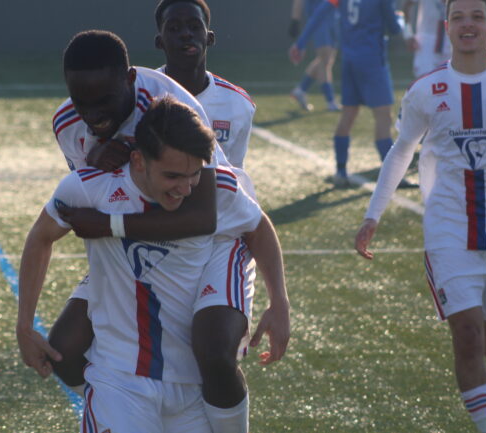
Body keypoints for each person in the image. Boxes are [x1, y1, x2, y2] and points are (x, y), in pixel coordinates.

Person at [47, 30, 290, 433]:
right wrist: (92, 159)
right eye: (81, 102)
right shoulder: (68, 122)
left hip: (211, 240)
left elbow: (201, 213)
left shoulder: (175, 104)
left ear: (128, 82)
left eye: (103, 101)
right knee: (64, 350)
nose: (91, 114)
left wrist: (279, 301)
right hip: (135, 237)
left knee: (213, 353)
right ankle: (112, 399)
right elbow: (93, 194)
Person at [354, 1, 486, 432]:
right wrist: (372, 215)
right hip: (449, 230)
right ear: (447, 26)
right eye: (458, 17)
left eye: (476, 17)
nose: (467, 24)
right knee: (468, 338)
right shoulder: (424, 90)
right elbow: (401, 151)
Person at [289, 0, 412, 187]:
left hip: (349, 61)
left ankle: (340, 172)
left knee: (348, 115)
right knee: (383, 117)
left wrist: (301, 43)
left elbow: (320, 13)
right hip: (372, 60)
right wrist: (401, 19)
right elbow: (394, 29)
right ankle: (393, 176)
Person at [155, 0, 256, 168]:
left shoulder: (238, 103)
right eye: (174, 28)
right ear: (160, 42)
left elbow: (234, 171)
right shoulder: (140, 92)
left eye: (195, 27)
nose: (186, 34)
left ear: (210, 38)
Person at [289, 0, 341, 112]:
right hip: (319, 18)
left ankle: (301, 90)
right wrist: (295, 20)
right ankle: (330, 100)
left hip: (334, 16)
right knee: (325, 61)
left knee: (327, 60)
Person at [402, 0, 452, 77]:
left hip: (451, 38)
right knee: (424, 81)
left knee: (452, 81)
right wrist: (408, 34)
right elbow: (407, 4)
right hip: (426, 40)